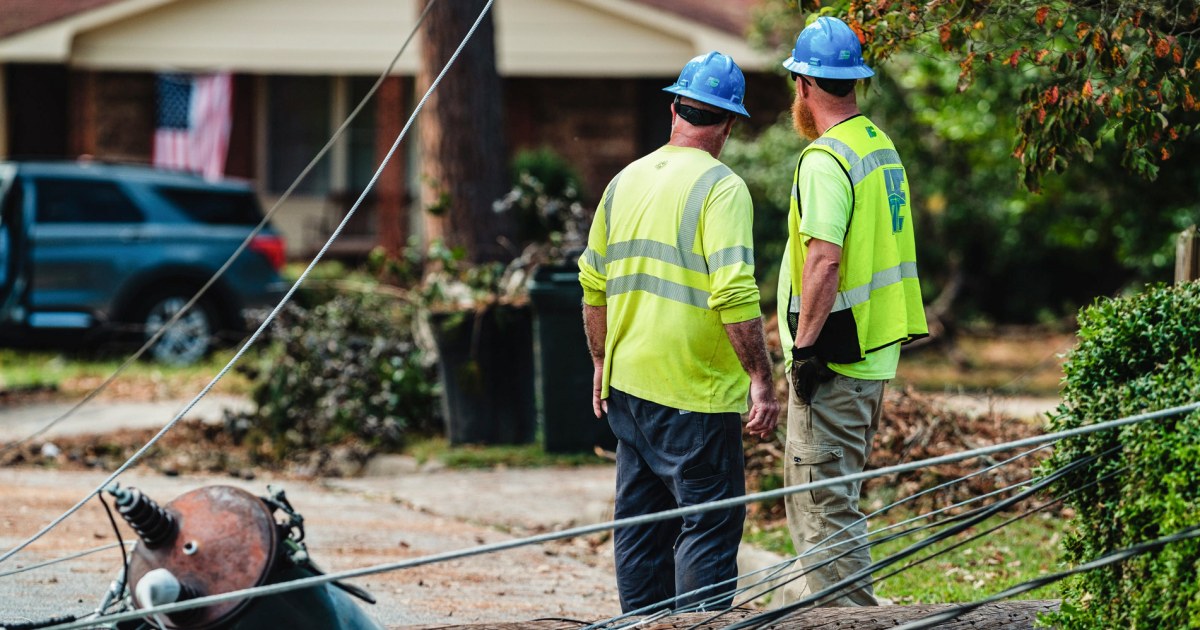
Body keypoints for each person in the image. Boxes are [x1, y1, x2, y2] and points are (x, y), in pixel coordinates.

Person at [577, 51, 780, 613]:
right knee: (708, 525)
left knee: (641, 524)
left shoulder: (626, 179)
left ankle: (640, 626)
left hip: (629, 385)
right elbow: (735, 292)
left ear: (675, 109)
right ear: (730, 124)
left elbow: (592, 283)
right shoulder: (722, 187)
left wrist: (600, 361)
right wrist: (760, 379)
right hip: (694, 391)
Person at [776, 16, 928, 606]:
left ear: (806, 85)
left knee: (819, 503)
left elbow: (824, 261)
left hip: (834, 357)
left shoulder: (825, 159)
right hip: (873, 351)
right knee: (837, 498)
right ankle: (853, 612)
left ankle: (846, 619)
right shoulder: (878, 145)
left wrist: (806, 348)